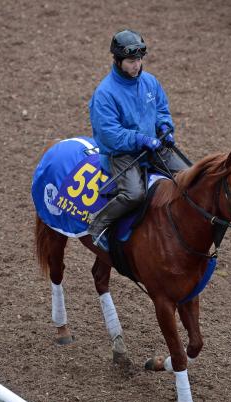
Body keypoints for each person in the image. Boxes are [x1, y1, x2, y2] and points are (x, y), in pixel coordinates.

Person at [88, 29, 189, 251]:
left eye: (139, 59)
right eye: (131, 61)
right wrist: (140, 139)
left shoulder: (150, 82)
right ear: (118, 60)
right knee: (134, 194)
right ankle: (97, 225)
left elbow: (162, 109)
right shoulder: (105, 94)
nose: (137, 65)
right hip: (122, 153)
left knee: (189, 178)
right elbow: (109, 134)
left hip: (154, 146)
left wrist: (164, 126)